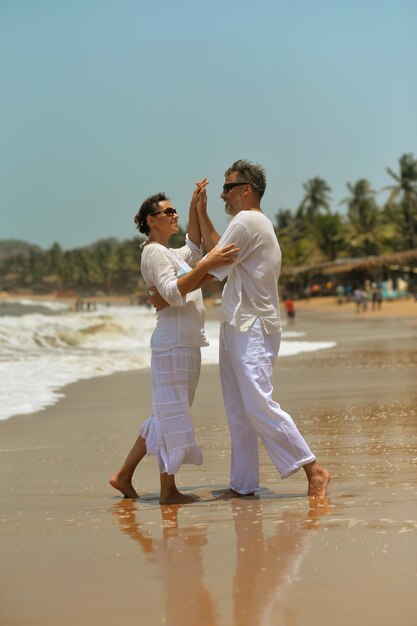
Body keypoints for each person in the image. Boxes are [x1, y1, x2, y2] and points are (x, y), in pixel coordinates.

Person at [195, 159, 330, 498]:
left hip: (252, 324)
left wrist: (175, 287)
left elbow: (213, 268)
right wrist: (201, 211)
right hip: (238, 322)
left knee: (256, 403)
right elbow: (220, 252)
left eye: (228, 188)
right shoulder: (247, 224)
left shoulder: (247, 220)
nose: (223, 194)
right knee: (239, 410)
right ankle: (242, 484)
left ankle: (313, 468)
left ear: (246, 190)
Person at [109, 181, 238, 503]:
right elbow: (171, 294)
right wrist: (207, 266)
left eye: (174, 210)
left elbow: (194, 247)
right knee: (172, 416)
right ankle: (168, 491)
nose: (173, 214)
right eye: (168, 212)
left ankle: (123, 476)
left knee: (165, 414)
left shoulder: (168, 253)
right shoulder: (153, 253)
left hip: (185, 342)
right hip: (173, 345)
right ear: (151, 220)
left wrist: (197, 207)